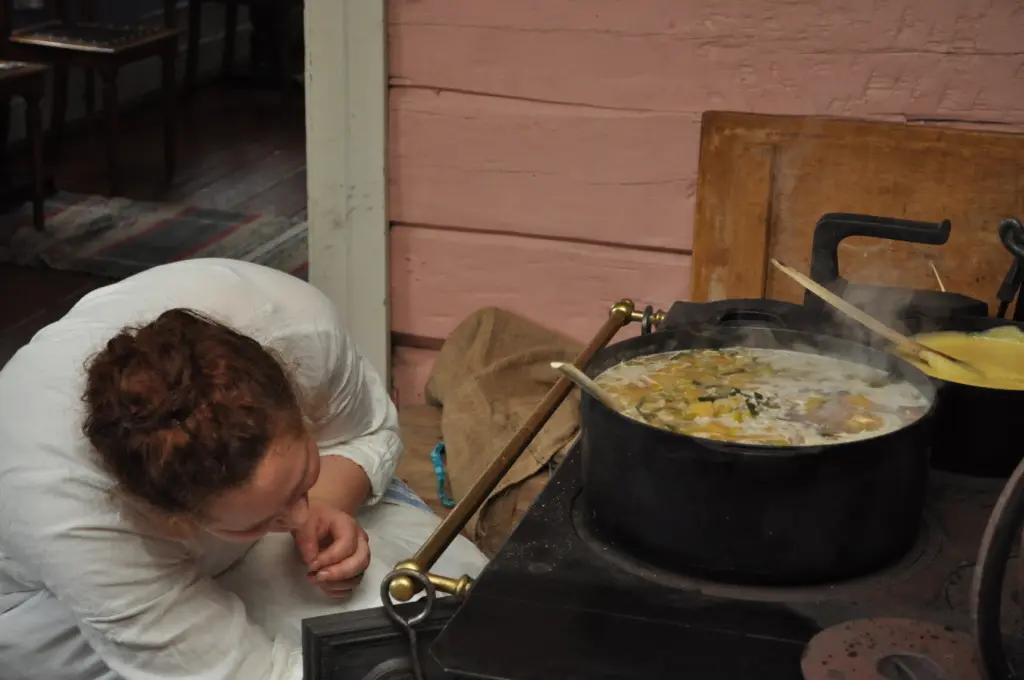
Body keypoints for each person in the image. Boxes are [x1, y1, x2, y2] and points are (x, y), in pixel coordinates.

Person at [0, 258, 488, 680]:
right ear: (176, 519)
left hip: (218, 543)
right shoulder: (79, 523)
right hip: (60, 614)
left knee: (459, 612)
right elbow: (258, 674)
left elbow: (365, 432)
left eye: (301, 478)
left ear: (295, 401)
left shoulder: (294, 326)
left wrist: (325, 500)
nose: (299, 519)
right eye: (263, 519)